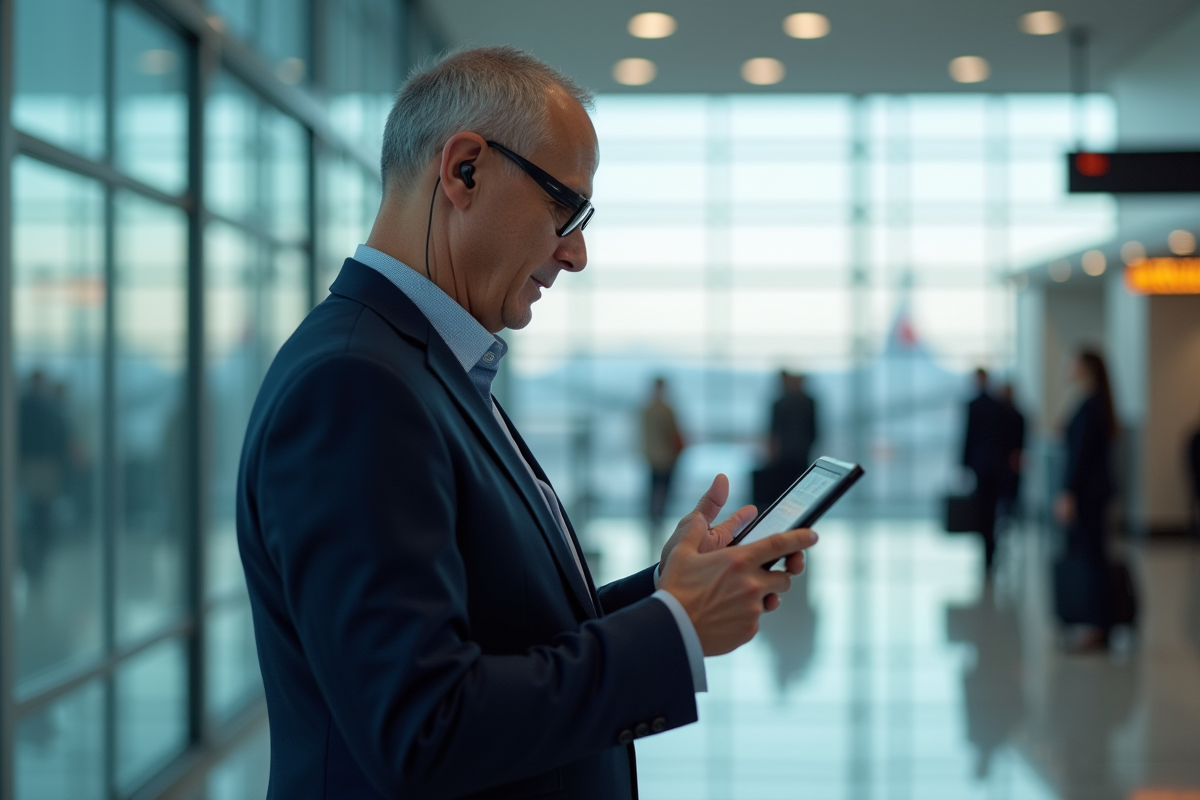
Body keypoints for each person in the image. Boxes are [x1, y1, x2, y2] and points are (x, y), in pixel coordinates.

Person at [236, 47, 818, 799]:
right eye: (562, 207)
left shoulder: (423, 365)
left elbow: (499, 637)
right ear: (463, 171)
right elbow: (424, 729)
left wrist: (669, 594)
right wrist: (674, 630)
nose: (574, 253)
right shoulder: (357, 385)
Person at [1054, 349, 1118, 652]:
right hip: (1094, 493)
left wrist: (1068, 492)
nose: (1069, 367)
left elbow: (1080, 455)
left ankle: (1099, 626)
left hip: (1088, 494)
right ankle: (1098, 623)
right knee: (1094, 557)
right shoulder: (1095, 403)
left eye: (1073, 362)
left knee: (1093, 559)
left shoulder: (1092, 405)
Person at [961, 368, 1008, 574]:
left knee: (983, 511)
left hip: (981, 466)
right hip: (997, 466)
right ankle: (992, 549)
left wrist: (963, 463)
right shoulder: (999, 405)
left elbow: (968, 436)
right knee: (993, 509)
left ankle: (987, 552)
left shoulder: (974, 405)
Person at [641, 376, 685, 534]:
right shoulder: (666, 410)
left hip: (652, 457)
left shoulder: (646, 410)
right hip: (666, 457)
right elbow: (672, 434)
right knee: (664, 489)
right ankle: (659, 517)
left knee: (653, 488)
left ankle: (653, 518)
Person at [770, 371, 818, 474]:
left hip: (793, 450)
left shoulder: (780, 403)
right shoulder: (808, 402)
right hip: (795, 450)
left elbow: (774, 430)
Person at [997, 382, 1026, 523]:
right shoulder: (1015, 415)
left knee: (1008, 497)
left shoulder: (1015, 416)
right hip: (1006, 463)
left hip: (1009, 463)